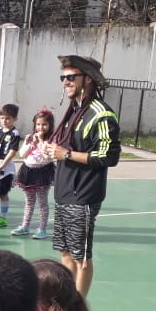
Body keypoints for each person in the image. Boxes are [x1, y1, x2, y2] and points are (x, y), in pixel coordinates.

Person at [44, 54, 121, 296]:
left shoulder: (101, 114)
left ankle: (78, 308)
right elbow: (68, 147)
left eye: (70, 77)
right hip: (65, 193)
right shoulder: (74, 111)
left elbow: (109, 156)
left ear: (87, 79)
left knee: (81, 258)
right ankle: (67, 300)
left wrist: (65, 154)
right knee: (66, 253)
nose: (65, 82)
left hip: (83, 195)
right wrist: (53, 150)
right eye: (63, 78)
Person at [13, 108, 56, 239]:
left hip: (42, 173)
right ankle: (25, 226)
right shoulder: (30, 138)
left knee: (42, 203)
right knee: (29, 202)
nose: (40, 127)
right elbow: (22, 154)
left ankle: (42, 229)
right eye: (38, 124)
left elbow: (48, 157)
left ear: (50, 125)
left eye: (44, 124)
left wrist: (41, 142)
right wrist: (31, 144)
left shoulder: (51, 140)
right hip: (28, 172)